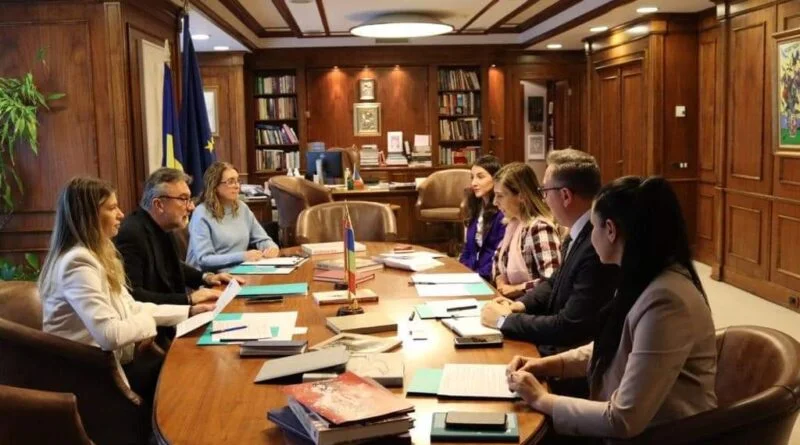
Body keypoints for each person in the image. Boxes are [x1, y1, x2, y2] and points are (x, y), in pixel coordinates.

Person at [506, 176, 717, 441]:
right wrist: (545, 365)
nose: (589, 236)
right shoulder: (643, 277)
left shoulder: (665, 301)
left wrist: (541, 398)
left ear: (610, 230)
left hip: (661, 436)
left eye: (592, 226)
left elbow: (623, 419)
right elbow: (614, 346)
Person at [40, 177, 215, 405]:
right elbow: (110, 335)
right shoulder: (78, 263)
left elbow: (132, 307)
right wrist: (147, 326)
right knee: (188, 378)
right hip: (89, 376)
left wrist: (189, 311)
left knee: (192, 369)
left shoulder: (98, 253)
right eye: (112, 208)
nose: (121, 214)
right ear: (89, 216)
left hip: (112, 363)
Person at [481, 149, 618, 398]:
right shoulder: (577, 232)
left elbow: (570, 325)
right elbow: (553, 282)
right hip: (557, 351)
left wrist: (504, 321)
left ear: (565, 195)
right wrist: (518, 306)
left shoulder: (596, 244)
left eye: (545, 191)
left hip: (573, 372)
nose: (543, 198)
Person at [115, 168, 241, 308]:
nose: (191, 207)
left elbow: (173, 265)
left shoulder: (164, 226)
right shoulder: (131, 234)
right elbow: (134, 296)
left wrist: (207, 278)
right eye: (183, 199)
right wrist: (188, 299)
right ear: (159, 205)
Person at [186, 161, 279, 272]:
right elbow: (204, 259)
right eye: (230, 182)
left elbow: (262, 239)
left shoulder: (242, 208)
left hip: (238, 271)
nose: (237, 186)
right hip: (209, 277)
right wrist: (243, 256)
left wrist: (271, 247)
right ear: (215, 186)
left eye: (237, 181)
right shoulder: (201, 213)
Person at [490, 162, 561, 298]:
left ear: (522, 196)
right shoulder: (513, 224)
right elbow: (498, 262)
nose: (495, 202)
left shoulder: (540, 228)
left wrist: (518, 288)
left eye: (500, 196)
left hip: (531, 306)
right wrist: (500, 281)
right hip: (511, 300)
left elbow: (552, 281)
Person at [459, 155, 505, 282]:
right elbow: (468, 249)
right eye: (472, 177)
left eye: (480, 177)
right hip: (472, 274)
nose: (474, 183)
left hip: (489, 276)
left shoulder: (503, 212)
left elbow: (499, 255)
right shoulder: (475, 205)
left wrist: (477, 275)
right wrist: (462, 270)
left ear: (495, 178)